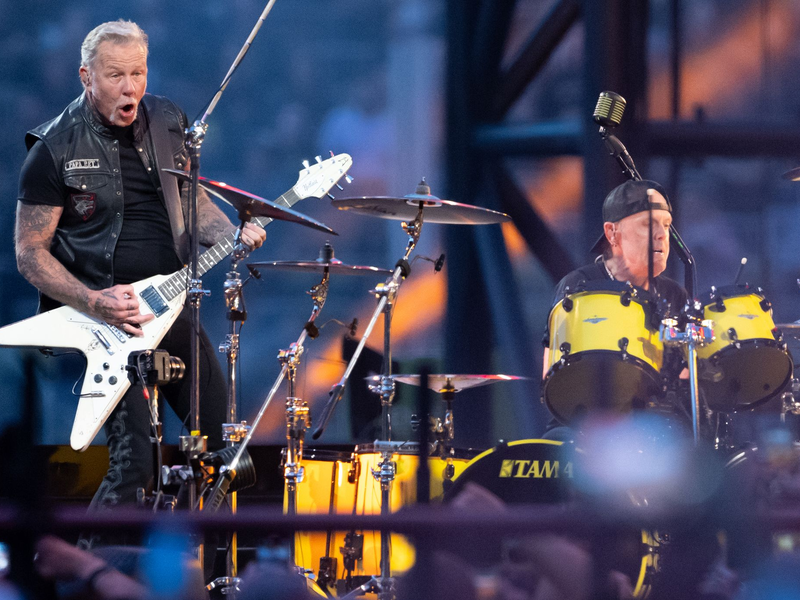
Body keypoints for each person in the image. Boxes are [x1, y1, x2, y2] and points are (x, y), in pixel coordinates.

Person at [14, 20, 266, 515]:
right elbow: (29, 254)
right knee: (135, 467)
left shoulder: (169, 119)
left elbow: (190, 199)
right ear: (86, 77)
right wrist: (95, 301)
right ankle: (89, 578)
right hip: (107, 321)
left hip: (171, 308)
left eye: (138, 73)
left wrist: (229, 235)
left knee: (227, 457)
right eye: (115, 76)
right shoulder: (53, 148)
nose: (130, 87)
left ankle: (206, 583)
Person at [541, 179, 689, 438]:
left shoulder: (674, 295)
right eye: (648, 224)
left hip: (653, 429)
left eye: (666, 225)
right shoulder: (579, 286)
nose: (662, 234)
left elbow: (686, 380)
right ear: (612, 233)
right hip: (583, 426)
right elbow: (552, 376)